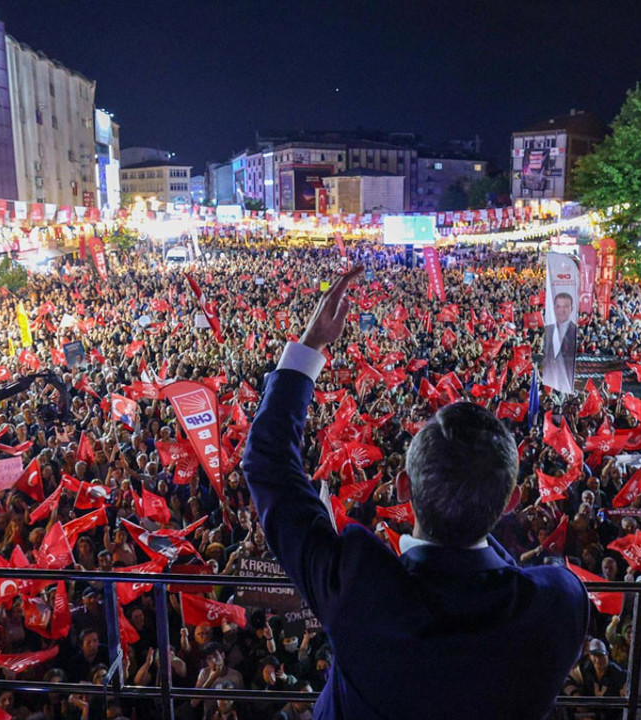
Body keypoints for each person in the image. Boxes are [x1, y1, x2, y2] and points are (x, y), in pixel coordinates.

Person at [241, 267, 590, 720]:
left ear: (403, 487)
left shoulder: (358, 586)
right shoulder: (558, 604)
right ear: (510, 501)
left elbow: (267, 464)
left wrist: (310, 347)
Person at [541, 291, 578, 394]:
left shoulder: (576, 332)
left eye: (565, 306)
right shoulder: (548, 329)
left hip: (566, 380)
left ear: (572, 309)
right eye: (558, 306)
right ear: (554, 308)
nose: (561, 310)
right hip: (549, 379)